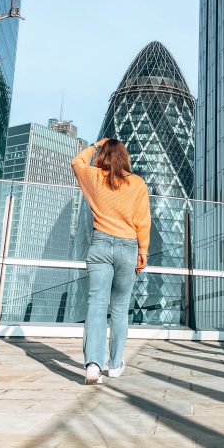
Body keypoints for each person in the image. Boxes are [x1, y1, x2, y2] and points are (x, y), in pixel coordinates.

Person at [71, 137, 151, 385]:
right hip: (127, 247)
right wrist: (143, 251)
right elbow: (143, 221)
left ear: (103, 156)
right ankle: (115, 364)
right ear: (124, 157)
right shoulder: (137, 183)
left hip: (100, 245)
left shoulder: (94, 177)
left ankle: (93, 365)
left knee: (96, 304)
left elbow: (76, 161)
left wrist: (96, 145)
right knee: (119, 307)